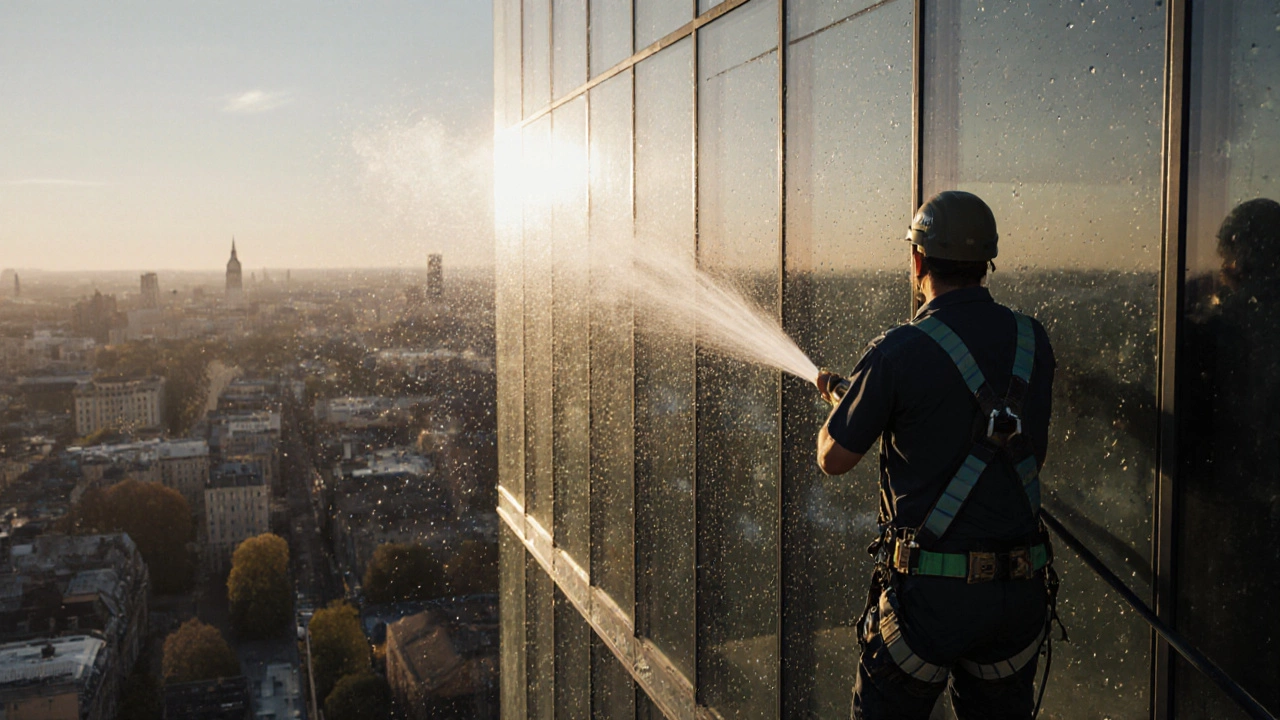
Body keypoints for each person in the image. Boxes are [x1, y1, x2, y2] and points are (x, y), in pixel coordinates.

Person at [815, 191, 1058, 720]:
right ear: (986, 262)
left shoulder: (899, 350)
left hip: (929, 606)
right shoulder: (1032, 341)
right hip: (1019, 594)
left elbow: (833, 458)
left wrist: (844, 409)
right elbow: (1026, 455)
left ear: (918, 260)